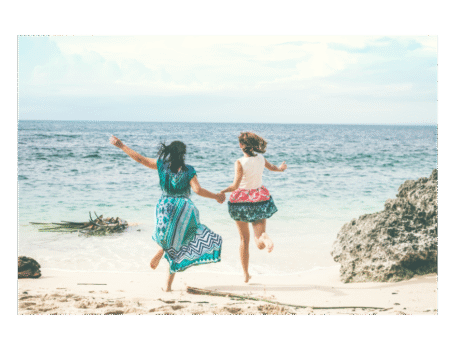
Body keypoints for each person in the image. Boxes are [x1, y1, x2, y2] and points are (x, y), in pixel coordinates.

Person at [110, 136, 224, 292]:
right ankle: (167, 284)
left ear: (169, 153)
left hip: (164, 206)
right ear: (183, 155)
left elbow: (140, 159)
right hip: (184, 208)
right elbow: (197, 190)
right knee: (179, 245)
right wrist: (216, 196)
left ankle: (162, 249)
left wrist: (122, 146)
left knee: (166, 239)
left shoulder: (161, 166)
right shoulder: (188, 170)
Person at [220, 132, 287, 283]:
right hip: (259, 199)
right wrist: (282, 168)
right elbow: (273, 168)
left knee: (244, 240)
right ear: (255, 145)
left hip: (241, 202)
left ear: (241, 145)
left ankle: (245, 274)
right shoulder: (261, 159)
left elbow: (235, 186)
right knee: (260, 240)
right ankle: (264, 236)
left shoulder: (239, 162)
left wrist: (222, 192)